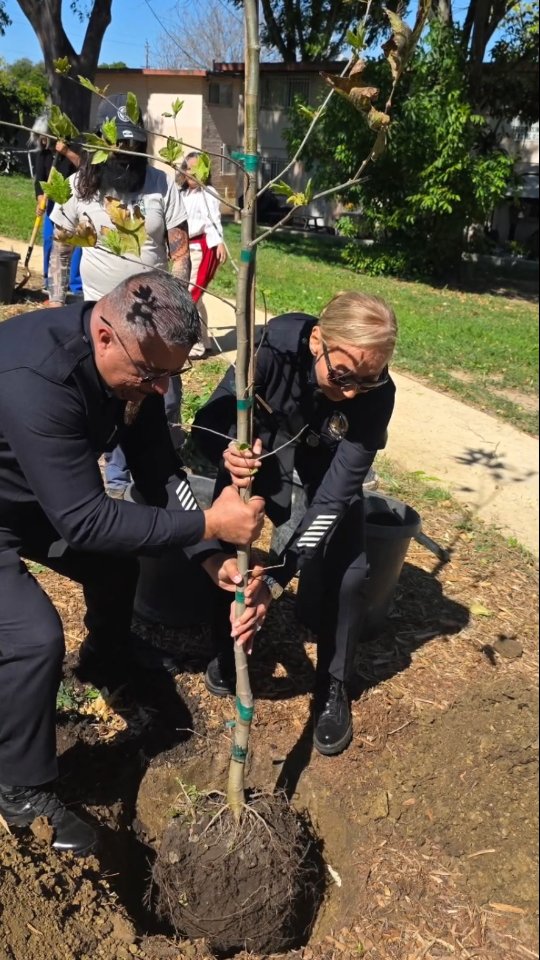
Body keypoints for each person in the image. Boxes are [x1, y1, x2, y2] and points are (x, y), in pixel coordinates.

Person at [0, 270, 265, 857]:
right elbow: (86, 521)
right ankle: (20, 788)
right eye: (150, 374)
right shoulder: (36, 379)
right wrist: (209, 523)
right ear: (103, 335)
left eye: (172, 375)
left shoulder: (137, 375)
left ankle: (105, 661)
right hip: (18, 507)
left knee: (116, 567)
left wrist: (207, 554)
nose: (159, 388)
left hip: (30, 496)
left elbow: (158, 470)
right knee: (33, 637)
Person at [193, 290, 397, 757]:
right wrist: (229, 445)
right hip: (265, 451)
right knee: (231, 540)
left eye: (366, 380)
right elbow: (211, 418)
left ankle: (334, 687)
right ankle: (230, 651)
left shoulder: (374, 396)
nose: (351, 392)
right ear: (316, 342)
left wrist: (281, 577)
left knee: (350, 572)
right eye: (342, 375)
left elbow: (335, 496)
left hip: (327, 463)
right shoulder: (273, 348)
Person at [47, 93, 192, 499]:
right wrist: (57, 299)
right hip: (99, 313)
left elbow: (179, 250)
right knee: (104, 393)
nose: (128, 157)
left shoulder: (162, 185)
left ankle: (159, 470)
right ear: (102, 146)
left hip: (154, 314)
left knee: (160, 398)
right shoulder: (81, 185)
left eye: (136, 149)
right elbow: (61, 243)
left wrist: (177, 305)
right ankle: (109, 476)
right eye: (120, 148)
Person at [29, 113, 82, 296]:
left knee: (73, 244)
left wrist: (66, 152)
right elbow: (39, 181)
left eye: (44, 136)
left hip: (72, 203)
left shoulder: (72, 148)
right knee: (48, 240)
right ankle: (49, 281)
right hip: (52, 204)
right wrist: (40, 200)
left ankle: (74, 288)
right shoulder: (43, 154)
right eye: (39, 137)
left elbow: (85, 167)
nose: (42, 140)